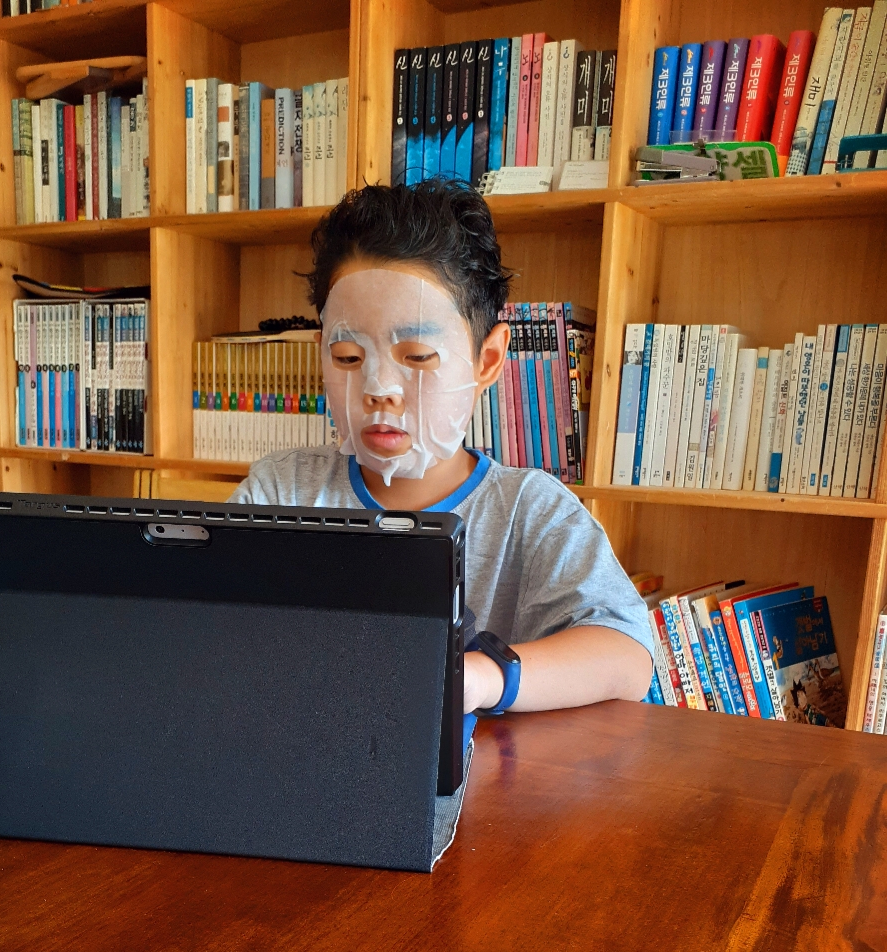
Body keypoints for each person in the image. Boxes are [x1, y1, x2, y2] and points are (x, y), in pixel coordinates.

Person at [230, 179, 653, 716]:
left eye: (417, 357)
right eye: (347, 357)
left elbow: (627, 656)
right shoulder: (280, 493)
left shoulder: (530, 512)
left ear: (487, 360)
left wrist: (481, 677)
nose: (379, 388)